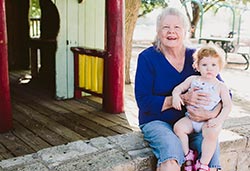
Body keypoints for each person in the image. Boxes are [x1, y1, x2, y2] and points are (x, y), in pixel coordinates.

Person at [134, 7, 225, 171]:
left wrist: (210, 114)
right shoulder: (147, 57)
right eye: (165, 27)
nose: (171, 32)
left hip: (194, 119)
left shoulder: (197, 56)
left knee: (211, 157)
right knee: (171, 154)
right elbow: (144, 102)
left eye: (177, 27)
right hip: (157, 120)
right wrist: (183, 98)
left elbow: (225, 93)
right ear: (158, 30)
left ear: (186, 31)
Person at [172, 45, 232, 171]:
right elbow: (178, 88)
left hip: (208, 121)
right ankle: (188, 155)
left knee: (212, 134)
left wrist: (218, 120)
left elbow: (227, 106)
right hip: (190, 119)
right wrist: (176, 96)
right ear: (197, 66)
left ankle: (203, 163)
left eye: (213, 65)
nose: (209, 68)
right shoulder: (193, 79)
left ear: (220, 67)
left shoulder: (221, 86)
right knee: (178, 128)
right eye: (204, 65)